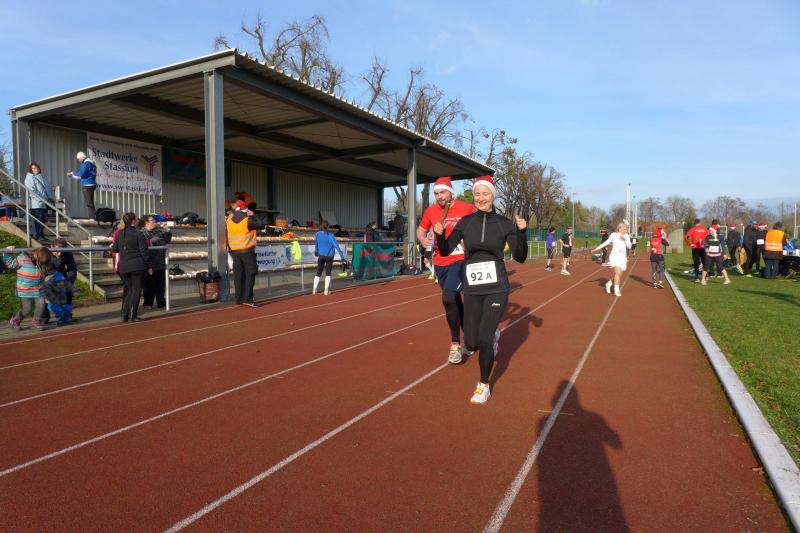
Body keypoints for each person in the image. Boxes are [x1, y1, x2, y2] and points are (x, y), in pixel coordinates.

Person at [433, 175, 528, 404]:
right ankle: (493, 335)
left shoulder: (504, 223)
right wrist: (440, 234)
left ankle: (483, 385)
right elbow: (445, 251)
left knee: (484, 339)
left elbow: (520, 257)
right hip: (473, 288)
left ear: (492, 196)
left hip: (496, 287)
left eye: (485, 194)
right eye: (477, 194)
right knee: (472, 343)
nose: (481, 198)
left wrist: (522, 232)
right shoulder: (466, 222)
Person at [417, 176, 477, 364]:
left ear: (451, 192)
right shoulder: (431, 210)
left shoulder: (467, 208)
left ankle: (455, 344)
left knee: (448, 298)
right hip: (440, 262)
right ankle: (470, 337)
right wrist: (423, 240)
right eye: (436, 193)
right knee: (455, 301)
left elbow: (480, 224)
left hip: (459, 261)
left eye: (442, 192)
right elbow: (421, 230)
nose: (439, 196)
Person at [110, 212, 150, 322]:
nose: (137, 221)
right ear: (133, 221)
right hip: (137, 265)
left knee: (129, 291)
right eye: (136, 219)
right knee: (136, 291)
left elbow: (115, 249)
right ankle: (133, 314)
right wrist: (148, 265)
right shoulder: (138, 233)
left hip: (123, 266)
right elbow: (144, 251)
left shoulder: (119, 234)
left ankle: (125, 315)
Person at [226, 200, 265, 307]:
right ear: (246, 210)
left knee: (238, 276)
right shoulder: (248, 220)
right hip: (247, 251)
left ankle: (238, 299)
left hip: (234, 252)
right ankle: (248, 299)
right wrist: (254, 215)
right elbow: (262, 225)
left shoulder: (229, 220)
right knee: (250, 274)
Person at [3, 246, 51, 330]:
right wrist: (7, 252)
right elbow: (10, 264)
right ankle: (15, 320)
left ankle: (36, 321)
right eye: (39, 261)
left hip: (38, 288)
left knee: (41, 304)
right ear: (35, 255)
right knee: (27, 308)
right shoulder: (23, 258)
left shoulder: (44, 262)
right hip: (24, 289)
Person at [138, 215, 172, 309]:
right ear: (146, 222)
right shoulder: (141, 232)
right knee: (148, 285)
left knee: (160, 285)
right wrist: (150, 241)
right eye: (152, 220)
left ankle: (161, 302)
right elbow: (140, 245)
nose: (154, 221)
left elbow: (168, 239)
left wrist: (167, 230)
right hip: (149, 263)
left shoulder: (159, 231)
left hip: (160, 262)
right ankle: (148, 303)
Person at [592, 222, 632, 297]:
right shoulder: (614, 235)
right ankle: (616, 290)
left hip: (622, 257)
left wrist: (625, 239)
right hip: (615, 256)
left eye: (626, 229)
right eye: (624, 229)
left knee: (619, 275)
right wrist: (596, 248)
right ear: (619, 228)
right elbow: (606, 242)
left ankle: (609, 284)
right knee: (617, 273)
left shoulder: (626, 236)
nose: (626, 231)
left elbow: (629, 246)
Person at [46, 238, 78, 324]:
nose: (59, 254)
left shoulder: (67, 253)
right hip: (48, 278)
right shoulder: (45, 253)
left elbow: (72, 269)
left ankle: (66, 315)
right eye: (57, 251)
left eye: (62, 251)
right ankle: (44, 317)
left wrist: (68, 281)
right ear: (51, 247)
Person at [313, 220, 346, 295]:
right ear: (327, 226)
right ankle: (326, 290)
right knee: (328, 273)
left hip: (321, 255)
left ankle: (314, 290)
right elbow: (336, 246)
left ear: (321, 226)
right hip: (329, 256)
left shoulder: (317, 234)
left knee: (318, 272)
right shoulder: (331, 235)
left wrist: (316, 252)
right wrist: (342, 257)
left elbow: (316, 244)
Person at [24, 163, 54, 242]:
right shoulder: (29, 177)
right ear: (31, 170)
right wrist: (41, 198)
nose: (35, 169)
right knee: (37, 219)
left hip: (44, 202)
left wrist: (51, 198)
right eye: (33, 168)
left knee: (42, 219)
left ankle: (41, 235)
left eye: (36, 168)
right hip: (36, 203)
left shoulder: (43, 177)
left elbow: (48, 188)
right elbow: (32, 190)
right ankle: (36, 235)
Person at [67, 151, 97, 218]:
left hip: (87, 185)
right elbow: (80, 177)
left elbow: (80, 174)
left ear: (82, 158)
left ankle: (92, 217)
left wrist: (72, 173)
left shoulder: (86, 164)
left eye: (79, 159)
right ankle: (93, 216)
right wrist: (72, 175)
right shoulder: (92, 164)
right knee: (90, 202)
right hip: (92, 184)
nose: (79, 160)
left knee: (89, 202)